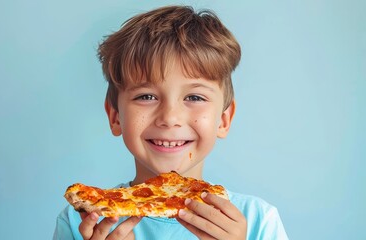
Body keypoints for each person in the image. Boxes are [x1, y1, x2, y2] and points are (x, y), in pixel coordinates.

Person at [53, 5, 288, 240]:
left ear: (224, 119)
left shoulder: (258, 221)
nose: (170, 118)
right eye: (146, 96)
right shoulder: (80, 221)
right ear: (115, 116)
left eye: (194, 97)